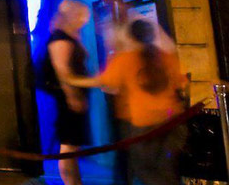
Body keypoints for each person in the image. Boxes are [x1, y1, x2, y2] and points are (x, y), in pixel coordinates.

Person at [64, 19, 187, 185]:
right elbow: (182, 83)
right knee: (167, 170)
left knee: (146, 169)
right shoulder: (166, 57)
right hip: (171, 121)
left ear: (131, 37)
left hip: (144, 123)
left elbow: (103, 81)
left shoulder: (126, 59)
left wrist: (72, 80)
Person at [43, 0, 91, 185]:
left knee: (71, 146)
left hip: (71, 98)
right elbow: (63, 72)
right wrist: (74, 96)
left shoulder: (67, 35)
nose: (84, 18)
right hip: (68, 99)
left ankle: (74, 182)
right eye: (81, 13)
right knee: (69, 146)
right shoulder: (61, 38)